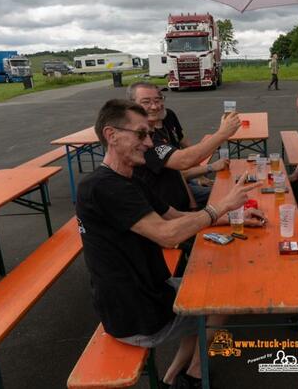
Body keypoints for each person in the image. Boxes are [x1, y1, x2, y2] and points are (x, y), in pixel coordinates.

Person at [76, 100, 265, 389]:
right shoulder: (102, 186)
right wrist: (221, 206)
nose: (149, 143)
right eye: (141, 134)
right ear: (111, 135)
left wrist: (228, 216)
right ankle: (193, 375)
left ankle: (172, 378)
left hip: (149, 293)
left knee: (211, 289)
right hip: (135, 313)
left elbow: (176, 216)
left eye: (149, 135)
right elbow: (168, 234)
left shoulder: (129, 180)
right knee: (229, 298)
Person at [127, 82, 239, 209]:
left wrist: (192, 203)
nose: (154, 106)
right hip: (164, 210)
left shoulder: (159, 125)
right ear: (132, 105)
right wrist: (222, 134)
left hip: (176, 201)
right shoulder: (140, 139)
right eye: (146, 102)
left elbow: (177, 171)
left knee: (231, 190)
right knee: (227, 194)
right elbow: (183, 161)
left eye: (158, 100)